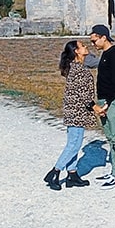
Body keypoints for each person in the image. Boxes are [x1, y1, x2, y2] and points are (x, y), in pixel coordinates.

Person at [43, 39, 99, 191]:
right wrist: (97, 108)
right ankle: (55, 172)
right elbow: (84, 96)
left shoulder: (77, 66)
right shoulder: (78, 70)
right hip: (76, 112)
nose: (86, 46)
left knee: (74, 143)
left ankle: (72, 174)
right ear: (76, 51)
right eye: (82, 46)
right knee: (73, 145)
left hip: (74, 111)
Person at [89, 24, 115, 188]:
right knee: (110, 136)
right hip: (103, 101)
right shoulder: (105, 53)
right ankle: (113, 171)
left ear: (103, 37)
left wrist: (107, 104)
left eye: (94, 40)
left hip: (113, 102)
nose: (93, 44)